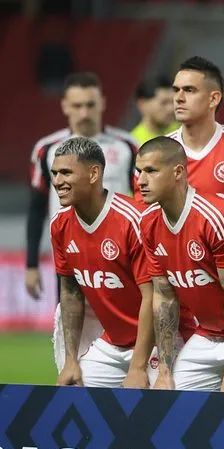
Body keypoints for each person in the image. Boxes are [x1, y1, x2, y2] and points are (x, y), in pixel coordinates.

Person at [137, 137, 224, 392]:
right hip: (207, 334)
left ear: (178, 172)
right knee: (168, 404)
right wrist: (164, 372)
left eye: (151, 171)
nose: (141, 181)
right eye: (139, 172)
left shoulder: (216, 217)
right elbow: (164, 297)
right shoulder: (148, 223)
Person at [50, 137, 154, 388]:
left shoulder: (134, 220)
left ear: (94, 173)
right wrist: (71, 360)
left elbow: (154, 298)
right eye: (54, 173)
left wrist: (138, 367)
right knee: (75, 397)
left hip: (158, 344)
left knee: (157, 416)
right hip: (113, 344)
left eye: (66, 173)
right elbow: (71, 293)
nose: (57, 182)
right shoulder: (60, 224)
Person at [27, 72, 139, 302]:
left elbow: (143, 202)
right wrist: (31, 264)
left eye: (91, 105)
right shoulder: (47, 149)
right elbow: (37, 209)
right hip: (70, 256)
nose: (85, 113)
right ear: (65, 106)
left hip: (120, 254)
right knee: (70, 329)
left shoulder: (127, 146)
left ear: (103, 104)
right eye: (77, 105)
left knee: (125, 328)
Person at [164, 56, 224, 213]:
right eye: (176, 90)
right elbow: (145, 217)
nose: (178, 98)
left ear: (213, 99)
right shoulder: (159, 154)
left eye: (189, 90)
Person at [131, 76, 180, 146]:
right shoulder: (136, 144)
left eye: (173, 102)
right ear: (142, 105)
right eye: (164, 103)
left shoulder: (184, 132)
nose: (171, 109)